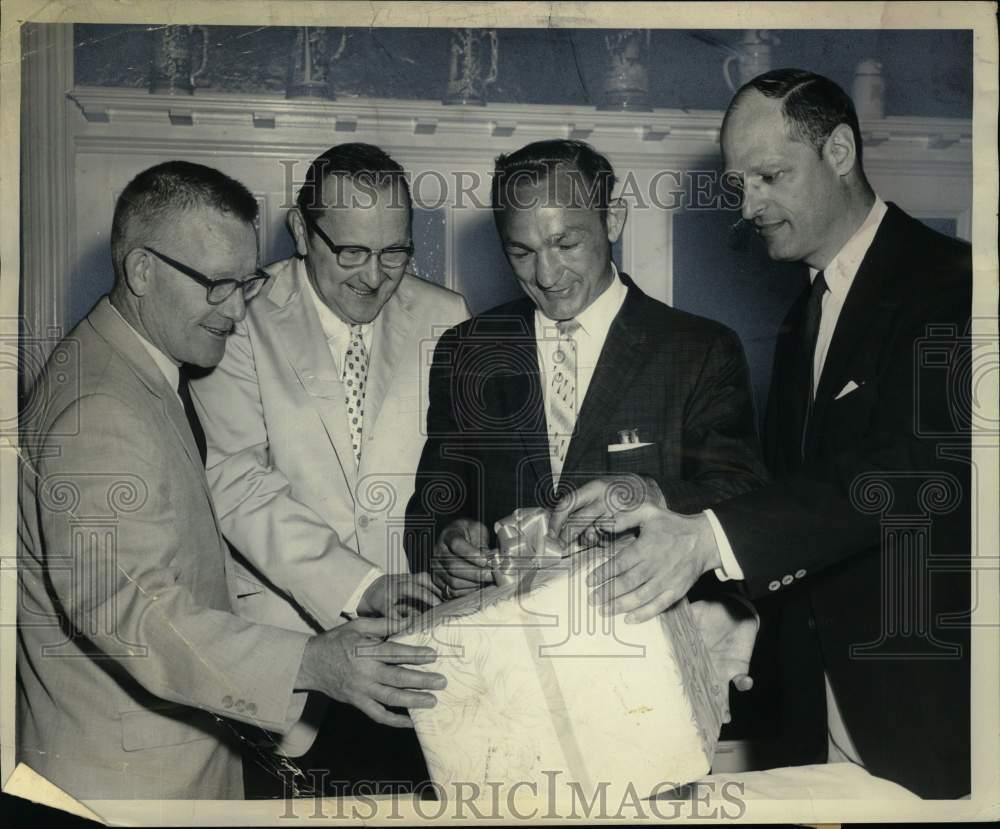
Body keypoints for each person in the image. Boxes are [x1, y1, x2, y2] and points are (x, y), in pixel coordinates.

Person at [557, 70, 972, 798]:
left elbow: (904, 473)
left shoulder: (954, 285)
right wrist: (742, 617)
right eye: (738, 183)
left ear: (839, 151)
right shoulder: (799, 321)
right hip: (820, 713)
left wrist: (703, 540)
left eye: (770, 175)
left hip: (932, 711)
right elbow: (792, 499)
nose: (747, 205)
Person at [16, 161, 445, 800]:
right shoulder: (101, 409)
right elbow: (128, 607)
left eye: (244, 285)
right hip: (130, 782)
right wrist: (311, 662)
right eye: (217, 285)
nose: (238, 311)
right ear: (141, 270)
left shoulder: (126, 366)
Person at [404, 140, 767, 682]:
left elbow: (742, 492)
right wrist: (447, 540)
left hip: (646, 662)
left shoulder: (698, 349)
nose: (547, 274)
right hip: (504, 666)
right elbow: (433, 500)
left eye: (565, 243)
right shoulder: (468, 349)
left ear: (612, 219)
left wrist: (652, 495)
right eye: (521, 252)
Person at [189, 144, 469, 796]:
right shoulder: (239, 316)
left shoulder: (447, 315)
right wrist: (361, 584)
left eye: (395, 252)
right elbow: (236, 479)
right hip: (287, 673)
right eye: (351, 252)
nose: (375, 277)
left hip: (414, 666)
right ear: (300, 230)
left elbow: (461, 475)